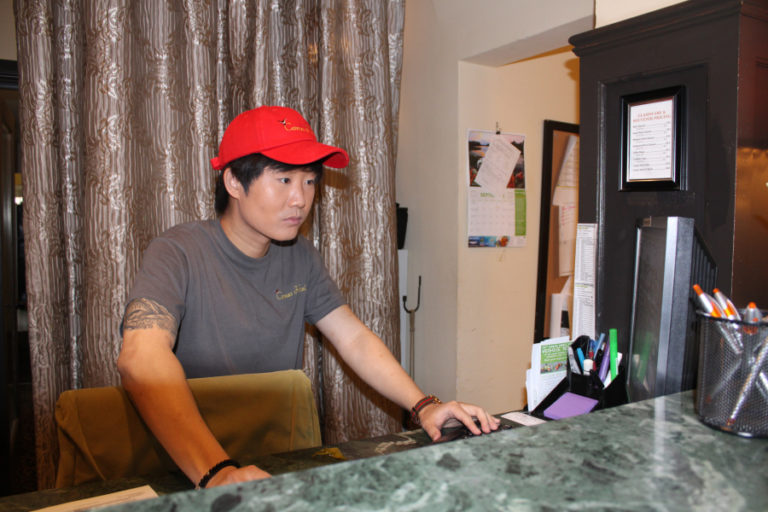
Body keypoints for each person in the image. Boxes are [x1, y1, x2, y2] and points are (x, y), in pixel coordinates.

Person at [117, 105, 500, 490]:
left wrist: (424, 406)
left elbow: (352, 339)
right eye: (283, 179)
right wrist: (217, 472)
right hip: (187, 465)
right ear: (234, 182)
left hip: (269, 461)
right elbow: (140, 357)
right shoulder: (178, 251)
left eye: (310, 182)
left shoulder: (299, 256)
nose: (300, 199)